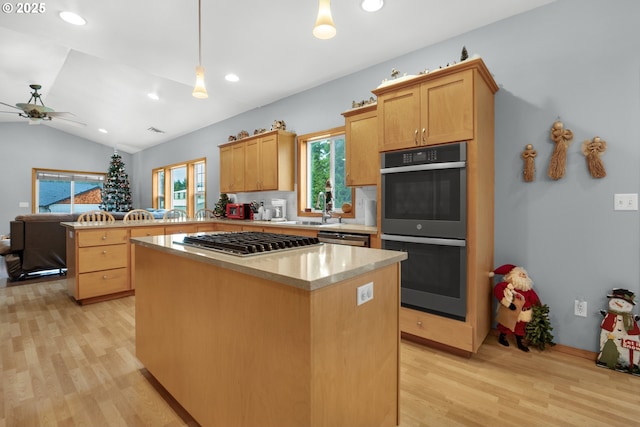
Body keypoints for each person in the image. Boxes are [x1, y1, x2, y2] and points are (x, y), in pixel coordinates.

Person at [492, 264, 541, 352]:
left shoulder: (528, 290)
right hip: (510, 310)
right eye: (520, 274)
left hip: (523, 313)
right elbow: (497, 290)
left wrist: (539, 307)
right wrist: (506, 303)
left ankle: (520, 342)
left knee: (520, 328)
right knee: (506, 324)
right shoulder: (506, 286)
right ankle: (502, 337)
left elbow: (534, 299)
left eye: (524, 274)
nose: (523, 275)